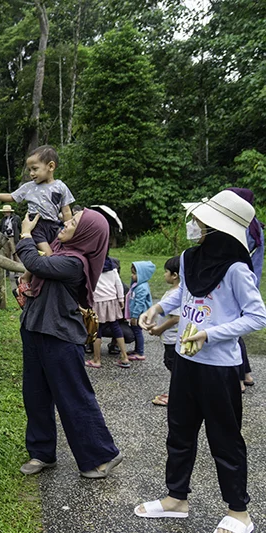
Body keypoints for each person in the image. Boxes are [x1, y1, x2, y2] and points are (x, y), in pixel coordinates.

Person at [135, 190, 266, 533]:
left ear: (215, 228)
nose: (194, 224)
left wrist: (211, 334)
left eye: (199, 221)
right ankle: (176, 498)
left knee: (225, 438)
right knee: (179, 431)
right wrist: (159, 307)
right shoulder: (189, 258)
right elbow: (184, 292)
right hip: (184, 361)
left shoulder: (237, 270)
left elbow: (256, 316)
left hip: (219, 368)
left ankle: (239, 512)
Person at [16, 209, 123, 479]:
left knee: (73, 397)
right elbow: (36, 266)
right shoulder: (59, 250)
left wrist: (26, 234)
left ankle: (101, 455)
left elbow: (35, 263)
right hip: (34, 329)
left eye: (73, 223)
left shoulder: (75, 262)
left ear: (86, 234)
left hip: (60, 337)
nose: (65, 223)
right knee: (35, 395)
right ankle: (42, 452)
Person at [0, 145, 74, 257]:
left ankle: (27, 274)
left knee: (58, 252)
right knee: (49, 255)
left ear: (51, 166)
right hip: (36, 225)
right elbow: (11, 197)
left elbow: (66, 212)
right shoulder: (28, 187)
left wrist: (70, 229)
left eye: (35, 169)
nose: (31, 173)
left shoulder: (61, 187)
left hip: (54, 226)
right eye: (29, 170)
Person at [227, 188, 264, 391]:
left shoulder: (245, 227)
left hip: (239, 284)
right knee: (236, 330)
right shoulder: (255, 225)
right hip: (250, 282)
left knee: (232, 331)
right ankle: (247, 375)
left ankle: (239, 379)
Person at [85, 254, 130, 369]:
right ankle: (124, 357)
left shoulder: (92, 268)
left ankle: (96, 359)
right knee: (116, 327)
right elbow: (118, 284)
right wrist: (120, 299)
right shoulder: (113, 268)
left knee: (97, 329)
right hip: (112, 300)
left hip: (97, 302)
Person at [147, 256, 181, 406]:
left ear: (175, 275)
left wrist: (159, 330)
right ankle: (176, 392)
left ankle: (177, 395)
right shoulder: (173, 291)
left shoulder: (177, 293)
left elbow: (175, 318)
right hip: (169, 338)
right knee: (170, 364)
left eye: (166, 272)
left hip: (174, 339)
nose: (164, 275)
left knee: (175, 367)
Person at [126, 260, 155, 361]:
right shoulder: (137, 285)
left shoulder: (142, 288)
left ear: (142, 274)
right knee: (136, 331)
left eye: (134, 273)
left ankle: (140, 352)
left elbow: (139, 303)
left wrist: (134, 316)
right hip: (137, 314)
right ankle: (137, 350)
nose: (132, 275)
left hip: (139, 315)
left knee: (137, 332)